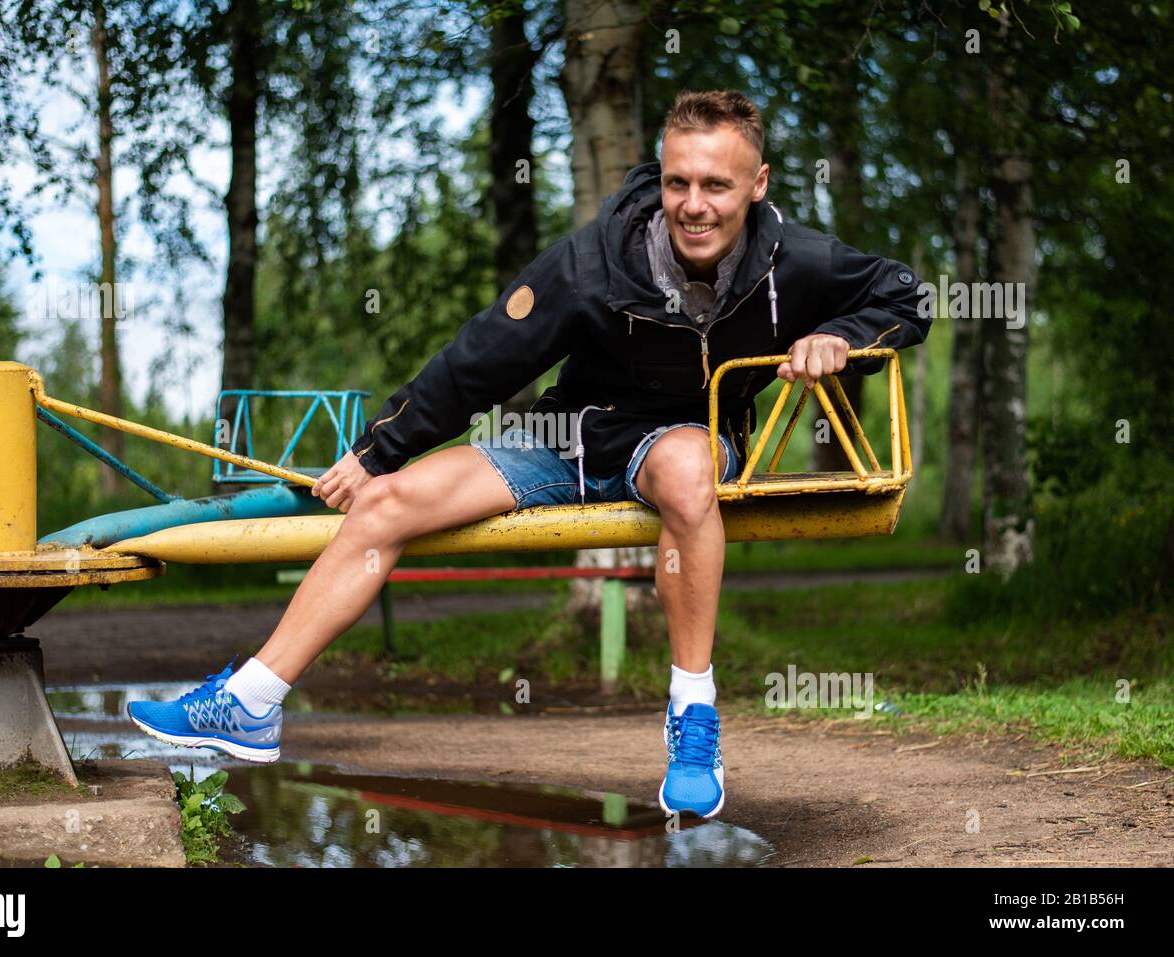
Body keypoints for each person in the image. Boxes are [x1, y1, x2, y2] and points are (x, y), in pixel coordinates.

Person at [128, 89, 930, 820]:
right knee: (390, 499)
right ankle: (253, 701)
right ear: (661, 174)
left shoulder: (800, 262)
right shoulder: (595, 260)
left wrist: (840, 336)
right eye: (679, 181)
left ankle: (693, 715)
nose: (694, 204)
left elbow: (907, 295)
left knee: (687, 470)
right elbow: (483, 356)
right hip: (572, 434)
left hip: (683, 439)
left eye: (717, 186)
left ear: (757, 185)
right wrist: (382, 449)